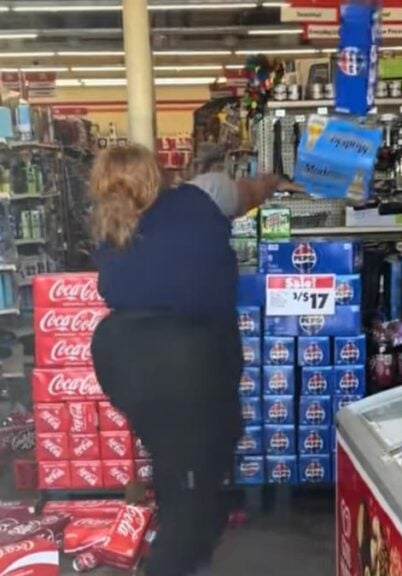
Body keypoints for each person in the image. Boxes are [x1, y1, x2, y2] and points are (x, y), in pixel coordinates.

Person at [89, 145, 279, 576]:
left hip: (122, 354)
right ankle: (175, 557)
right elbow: (248, 192)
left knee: (176, 461)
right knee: (193, 483)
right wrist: (271, 182)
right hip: (184, 358)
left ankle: (192, 534)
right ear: (159, 172)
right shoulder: (203, 194)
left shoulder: (108, 221)